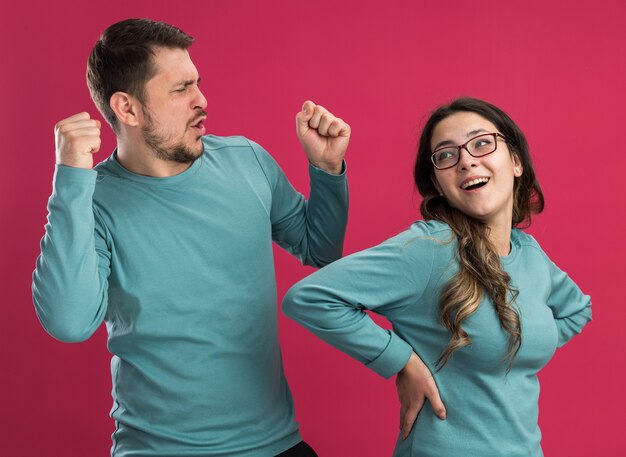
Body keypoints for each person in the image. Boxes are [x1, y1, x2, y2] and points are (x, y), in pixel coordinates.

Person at [32, 18, 351, 457]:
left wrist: (328, 170)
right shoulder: (92, 200)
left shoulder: (248, 160)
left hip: (276, 445)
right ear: (128, 109)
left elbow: (320, 249)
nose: (202, 100)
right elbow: (69, 322)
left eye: (197, 83)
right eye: (181, 89)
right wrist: (70, 177)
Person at [283, 97, 591, 457]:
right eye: (446, 155)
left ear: (516, 161)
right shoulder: (430, 248)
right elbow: (309, 297)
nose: (466, 161)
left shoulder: (529, 253)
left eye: (481, 143)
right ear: (438, 183)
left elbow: (577, 311)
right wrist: (402, 361)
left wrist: (523, 341)